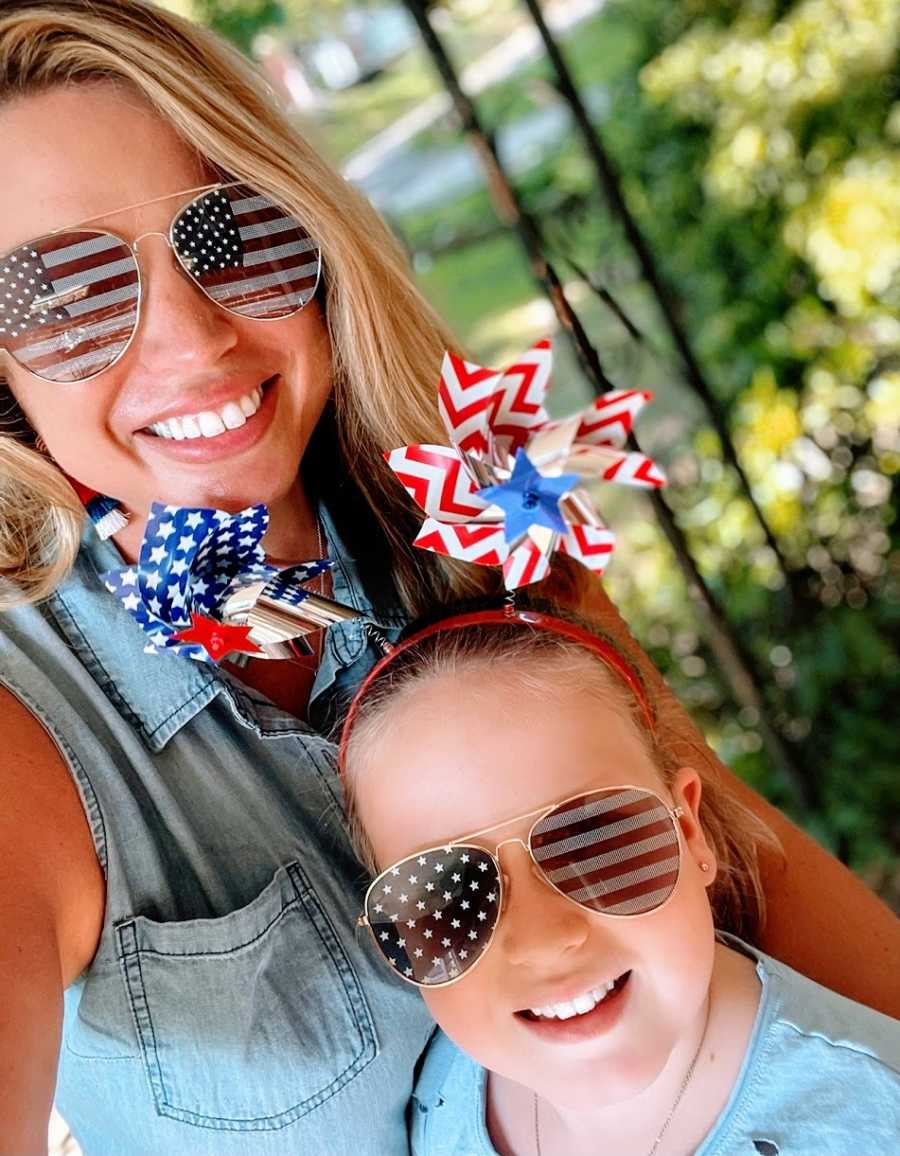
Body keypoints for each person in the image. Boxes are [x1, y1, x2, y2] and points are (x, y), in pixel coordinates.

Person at [0, 2, 897, 1154]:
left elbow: (724, 846)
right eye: (65, 296)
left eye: (232, 235)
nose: (194, 339)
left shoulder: (471, 514)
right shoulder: (31, 719)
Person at [340, 605, 900, 1156]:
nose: (546, 940)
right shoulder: (442, 1098)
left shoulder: (875, 1119)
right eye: (448, 900)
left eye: (596, 842)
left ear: (689, 829)